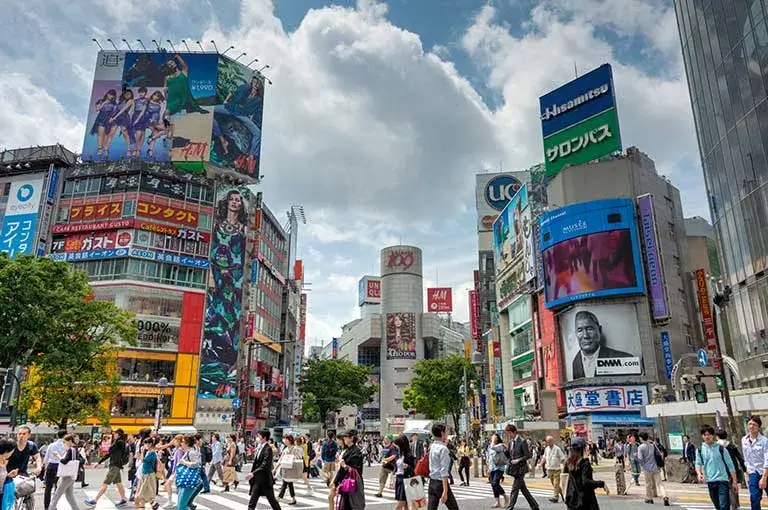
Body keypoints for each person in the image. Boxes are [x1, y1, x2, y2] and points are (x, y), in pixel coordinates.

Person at [570, 310, 634, 379]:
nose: (585, 335)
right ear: (576, 334)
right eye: (580, 330)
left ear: (600, 330)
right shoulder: (574, 362)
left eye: (589, 329)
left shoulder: (625, 359)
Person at [696, 424, 740, 510]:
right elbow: (698, 463)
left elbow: (730, 465)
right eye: (705, 435)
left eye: (709, 434)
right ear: (702, 436)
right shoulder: (700, 449)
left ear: (713, 435)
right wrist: (699, 473)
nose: (707, 437)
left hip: (722, 480)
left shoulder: (721, 449)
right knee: (718, 506)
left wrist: (734, 481)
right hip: (710, 481)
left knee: (724, 506)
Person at [85, 428, 129, 507]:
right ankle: (124, 499)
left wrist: (99, 462)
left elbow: (114, 452)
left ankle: (95, 500)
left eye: (114, 433)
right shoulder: (118, 442)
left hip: (115, 465)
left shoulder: (120, 442)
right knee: (118, 483)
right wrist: (99, 462)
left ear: (118, 434)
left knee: (105, 483)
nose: (113, 434)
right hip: (116, 465)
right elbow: (110, 454)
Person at [564, 438, 609, 510]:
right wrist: (601, 483)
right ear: (583, 449)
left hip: (572, 498)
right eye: (586, 446)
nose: (589, 447)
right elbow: (586, 482)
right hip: (585, 500)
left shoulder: (570, 462)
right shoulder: (585, 463)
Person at [504, 424, 540, 510]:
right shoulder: (510, 442)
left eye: (510, 433)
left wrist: (518, 460)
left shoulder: (522, 441)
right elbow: (509, 456)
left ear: (514, 432)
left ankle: (510, 507)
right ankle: (534, 506)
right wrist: (505, 451)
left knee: (515, 488)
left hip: (521, 469)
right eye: (508, 433)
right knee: (524, 490)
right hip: (514, 469)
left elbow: (528, 455)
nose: (509, 435)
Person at [246, 429, 281, 510]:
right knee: (252, 501)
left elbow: (265, 465)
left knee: (272, 501)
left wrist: (253, 473)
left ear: (264, 437)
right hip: (257, 480)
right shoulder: (259, 447)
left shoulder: (267, 448)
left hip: (265, 480)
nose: (256, 438)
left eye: (258, 436)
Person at [427, 423, 458, 510]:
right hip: (440, 483)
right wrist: (445, 490)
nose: (447, 434)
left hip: (432, 482)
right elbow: (444, 471)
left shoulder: (432, 446)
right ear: (442, 433)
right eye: (446, 432)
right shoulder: (443, 449)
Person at [331, 429, 365, 510]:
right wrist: (335, 482)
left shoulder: (356, 452)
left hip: (352, 483)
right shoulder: (348, 450)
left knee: (352, 505)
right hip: (346, 483)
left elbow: (357, 470)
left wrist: (345, 465)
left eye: (346, 437)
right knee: (345, 505)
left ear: (352, 438)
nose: (344, 439)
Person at [47, 434, 80, 510]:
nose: (64, 444)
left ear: (70, 441)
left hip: (67, 476)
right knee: (69, 496)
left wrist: (58, 455)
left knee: (57, 495)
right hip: (71, 475)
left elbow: (64, 461)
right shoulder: (73, 449)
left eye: (65, 442)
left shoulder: (71, 450)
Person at [742, 415, 768, 510]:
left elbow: (767, 459)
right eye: (750, 424)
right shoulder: (744, 440)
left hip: (765, 472)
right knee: (754, 498)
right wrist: (748, 470)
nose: (752, 426)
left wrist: (764, 478)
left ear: (759, 427)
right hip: (753, 473)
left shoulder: (764, 441)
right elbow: (745, 456)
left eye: (754, 424)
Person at [637, 432, 669, 506]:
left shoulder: (640, 447)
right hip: (655, 467)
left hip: (647, 468)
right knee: (660, 483)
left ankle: (649, 498)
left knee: (648, 484)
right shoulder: (652, 446)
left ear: (641, 438)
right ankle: (665, 496)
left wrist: (642, 464)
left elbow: (640, 459)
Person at [718, 429, 746, 509]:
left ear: (717, 437)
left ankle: (726, 505)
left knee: (723, 489)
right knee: (733, 488)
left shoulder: (716, 447)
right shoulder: (732, 446)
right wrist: (744, 469)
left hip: (721, 471)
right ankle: (735, 505)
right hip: (733, 470)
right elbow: (740, 458)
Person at [42, 429, 66, 510]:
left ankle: (46, 506)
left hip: (51, 466)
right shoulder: (65, 446)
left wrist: (45, 467)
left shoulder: (51, 445)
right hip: (60, 466)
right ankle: (53, 505)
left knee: (48, 487)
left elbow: (46, 458)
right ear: (65, 436)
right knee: (57, 488)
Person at [275, 435, 303, 506]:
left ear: (290, 440)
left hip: (291, 469)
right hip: (286, 469)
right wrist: (275, 468)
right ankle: (293, 499)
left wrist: (291, 457)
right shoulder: (285, 449)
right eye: (284, 439)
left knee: (285, 483)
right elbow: (280, 459)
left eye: (286, 439)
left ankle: (278, 498)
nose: (284, 441)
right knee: (289, 484)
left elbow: (300, 457)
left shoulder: (295, 449)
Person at [133, 438, 159, 510]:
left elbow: (143, 460)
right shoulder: (148, 452)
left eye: (146, 444)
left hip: (149, 473)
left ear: (150, 444)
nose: (145, 445)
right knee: (146, 489)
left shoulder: (152, 453)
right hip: (145, 473)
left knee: (145, 489)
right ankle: (151, 503)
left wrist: (141, 451)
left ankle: (152, 503)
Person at [392, 435, 415, 510]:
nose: (396, 447)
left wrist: (407, 467)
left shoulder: (409, 455)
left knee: (399, 505)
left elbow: (413, 469)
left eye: (398, 445)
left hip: (405, 480)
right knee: (405, 505)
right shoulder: (400, 453)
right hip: (399, 479)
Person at [540, 436, 566, 503]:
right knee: (555, 485)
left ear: (552, 441)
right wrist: (541, 463)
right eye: (547, 442)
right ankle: (564, 495)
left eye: (550, 441)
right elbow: (544, 457)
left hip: (557, 469)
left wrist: (565, 467)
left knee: (556, 483)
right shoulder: (546, 449)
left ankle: (555, 497)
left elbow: (562, 458)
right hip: (549, 469)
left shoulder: (557, 449)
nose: (548, 443)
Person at [487, 433, 508, 508]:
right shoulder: (490, 446)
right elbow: (489, 458)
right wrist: (488, 468)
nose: (492, 438)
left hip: (499, 468)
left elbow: (493, 447)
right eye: (492, 437)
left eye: (494, 437)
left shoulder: (500, 445)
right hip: (492, 468)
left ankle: (505, 497)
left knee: (495, 483)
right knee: (493, 485)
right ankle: (497, 502)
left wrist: (493, 440)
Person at [0, 438, 16, 510]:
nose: (12, 453)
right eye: (12, 451)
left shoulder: (3, 461)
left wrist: (8, 475)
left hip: (2, 494)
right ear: (6, 451)